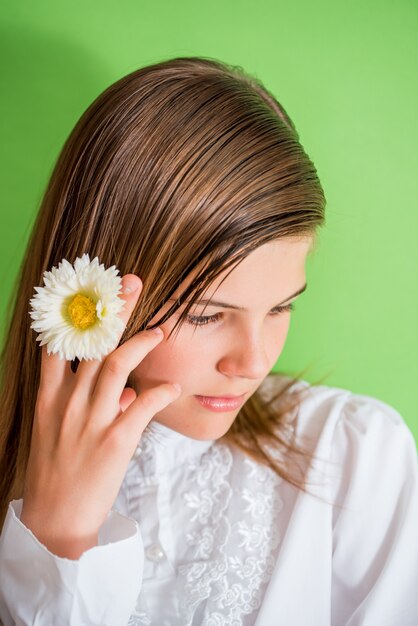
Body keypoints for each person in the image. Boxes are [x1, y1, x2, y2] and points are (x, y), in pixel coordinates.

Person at [0, 56, 417, 626]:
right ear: (92, 294)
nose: (254, 361)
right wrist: (56, 540)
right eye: (204, 316)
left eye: (281, 306)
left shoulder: (360, 462)